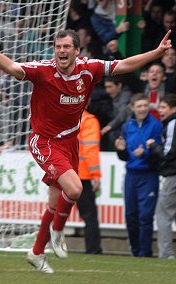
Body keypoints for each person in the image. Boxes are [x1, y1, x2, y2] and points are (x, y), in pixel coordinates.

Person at [0, 27, 172, 273]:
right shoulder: (44, 70)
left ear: (77, 51)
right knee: (75, 188)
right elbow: (13, 68)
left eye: (67, 47)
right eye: (58, 47)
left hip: (70, 142)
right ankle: (57, 231)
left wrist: (156, 53)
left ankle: (37, 253)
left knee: (55, 201)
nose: (61, 51)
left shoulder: (89, 68)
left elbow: (124, 65)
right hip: (44, 141)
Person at [115, 93, 163, 257]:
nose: (142, 109)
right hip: (131, 175)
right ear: (132, 108)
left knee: (145, 216)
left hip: (148, 175)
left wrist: (146, 153)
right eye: (139, 106)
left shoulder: (156, 125)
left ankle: (144, 253)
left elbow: (159, 154)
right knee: (131, 215)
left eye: (145, 105)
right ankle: (135, 252)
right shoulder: (127, 126)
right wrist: (120, 149)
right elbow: (124, 156)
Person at [146, 94, 176, 259]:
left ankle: (166, 254)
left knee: (163, 213)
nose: (160, 110)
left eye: (163, 107)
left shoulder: (173, 123)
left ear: (174, 109)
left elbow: (169, 152)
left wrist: (153, 146)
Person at [77, 107, 102, 254]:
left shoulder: (63, 117)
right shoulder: (88, 120)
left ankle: (43, 246)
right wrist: (96, 174)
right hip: (82, 176)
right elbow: (90, 149)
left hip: (61, 173)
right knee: (89, 216)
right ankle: (93, 249)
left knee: (56, 213)